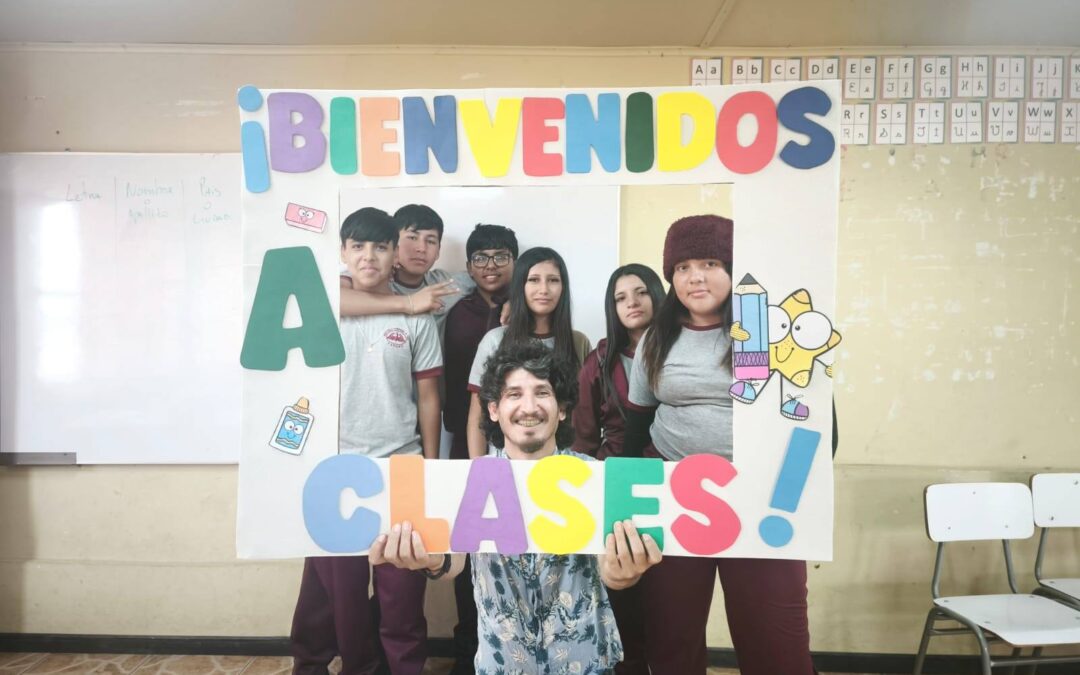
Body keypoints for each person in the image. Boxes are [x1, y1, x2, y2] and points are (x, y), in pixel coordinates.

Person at [371, 340, 663, 675]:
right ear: (493, 410)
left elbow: (609, 570)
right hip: (502, 664)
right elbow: (451, 564)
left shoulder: (594, 478)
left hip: (585, 664)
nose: (529, 407)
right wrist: (429, 560)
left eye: (542, 392)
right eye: (514, 394)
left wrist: (623, 573)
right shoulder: (469, 480)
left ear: (562, 408)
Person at [623, 215, 816, 675]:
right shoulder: (656, 339)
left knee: (775, 639)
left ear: (733, 269)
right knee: (672, 636)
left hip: (759, 499)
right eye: (683, 266)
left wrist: (791, 498)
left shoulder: (771, 332)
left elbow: (815, 426)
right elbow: (634, 428)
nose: (696, 277)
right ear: (671, 276)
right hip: (676, 499)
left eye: (710, 262)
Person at [290, 207, 443, 675]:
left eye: (380, 246)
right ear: (342, 252)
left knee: (402, 597)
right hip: (336, 472)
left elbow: (428, 397)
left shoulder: (419, 319)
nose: (369, 256)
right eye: (358, 246)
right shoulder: (324, 302)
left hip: (400, 468)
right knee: (343, 597)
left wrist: (430, 470)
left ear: (394, 254)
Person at [570, 264, 665, 675]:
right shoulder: (600, 359)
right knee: (623, 595)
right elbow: (584, 438)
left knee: (669, 600)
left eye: (641, 292)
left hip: (675, 485)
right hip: (618, 487)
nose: (632, 302)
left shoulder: (680, 350)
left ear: (658, 297)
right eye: (621, 297)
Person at [440, 223, 519, 675]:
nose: (490, 266)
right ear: (469, 266)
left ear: (514, 260)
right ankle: (466, 649)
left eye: (500, 256)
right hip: (462, 446)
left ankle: (506, 649)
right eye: (481, 258)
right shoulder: (456, 308)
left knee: (508, 549)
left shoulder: (529, 309)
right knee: (465, 548)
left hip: (515, 450)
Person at [465, 246, 592, 459]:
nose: (544, 289)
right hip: (503, 466)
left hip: (561, 468)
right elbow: (478, 415)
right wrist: (478, 470)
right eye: (533, 280)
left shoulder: (578, 342)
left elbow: (581, 414)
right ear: (520, 285)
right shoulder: (495, 340)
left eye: (553, 280)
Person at [340, 203, 473, 335]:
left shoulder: (444, 284)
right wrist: (409, 303)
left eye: (431, 241)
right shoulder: (371, 277)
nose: (421, 248)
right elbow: (332, 300)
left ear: (438, 251)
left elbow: (483, 275)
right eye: (412, 237)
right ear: (394, 242)